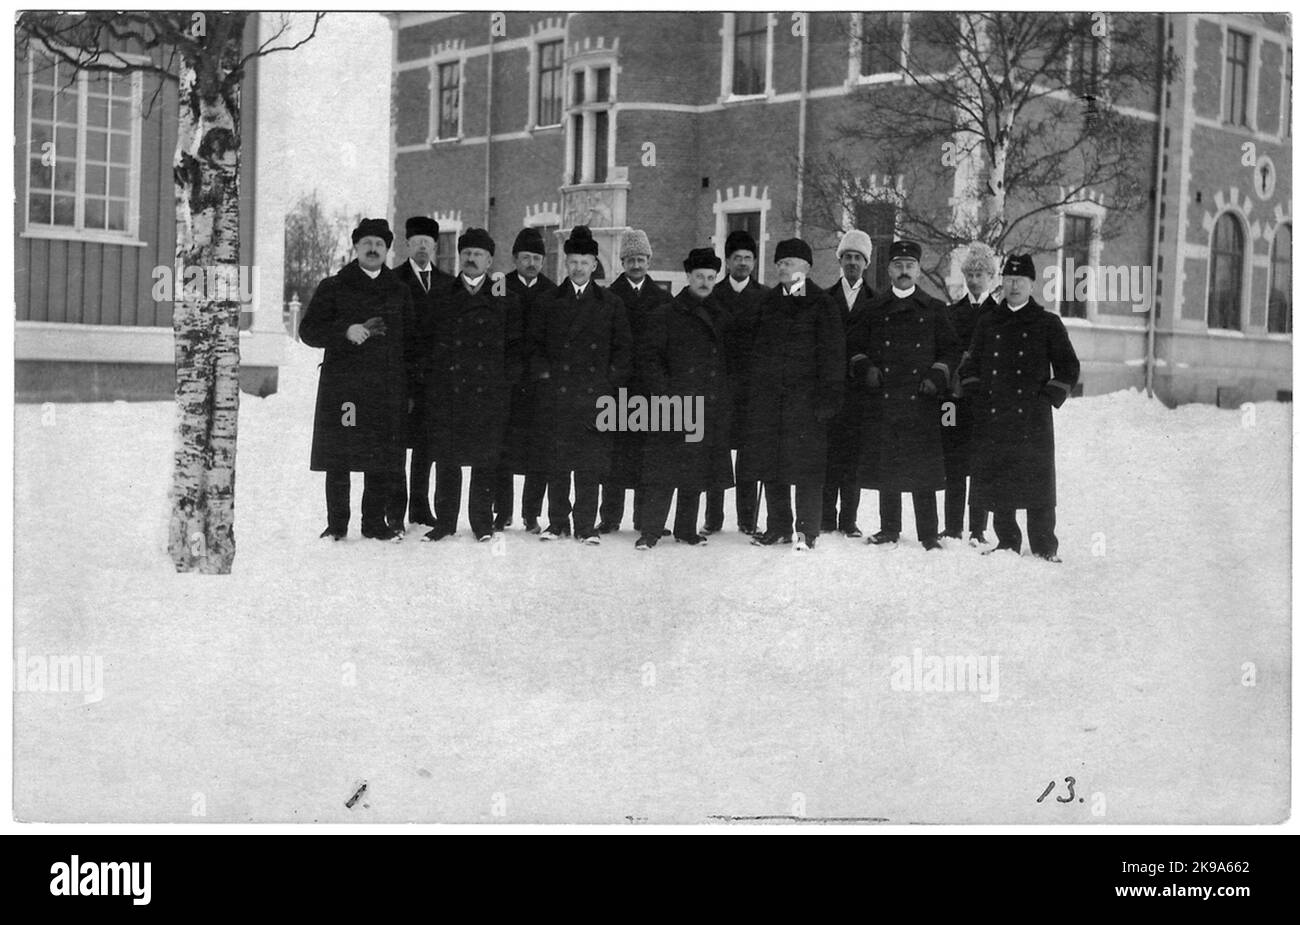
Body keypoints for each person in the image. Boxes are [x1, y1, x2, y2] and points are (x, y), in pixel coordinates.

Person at [299, 217, 414, 542]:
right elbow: (307, 331)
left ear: (388, 250)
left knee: (379, 457)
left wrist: (409, 388)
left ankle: (373, 523)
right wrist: (344, 331)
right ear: (356, 247)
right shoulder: (333, 287)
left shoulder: (398, 290)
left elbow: (412, 340)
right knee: (340, 456)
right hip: (344, 389)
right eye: (368, 244)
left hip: (385, 388)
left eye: (380, 244)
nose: (374, 249)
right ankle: (337, 525)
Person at [960, 253, 1080, 562]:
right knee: (1000, 482)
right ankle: (1007, 541)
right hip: (995, 415)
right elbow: (969, 365)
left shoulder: (1047, 322)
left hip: (1032, 418)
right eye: (1009, 280)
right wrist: (978, 395)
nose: (1014, 286)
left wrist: (1047, 399)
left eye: (1020, 281)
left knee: (1038, 487)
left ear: (1031, 284)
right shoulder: (989, 322)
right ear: (1002, 282)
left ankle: (1043, 546)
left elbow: (1068, 368)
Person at [852, 240, 960, 551]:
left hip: (921, 400)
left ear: (918, 270)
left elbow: (951, 350)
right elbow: (855, 348)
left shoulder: (935, 309)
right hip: (884, 398)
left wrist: (937, 375)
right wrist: (867, 368)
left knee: (922, 470)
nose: (903, 271)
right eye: (898, 266)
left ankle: (928, 533)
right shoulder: (873, 309)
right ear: (888, 270)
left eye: (909, 266)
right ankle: (889, 528)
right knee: (888, 466)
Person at [528, 225, 633, 544]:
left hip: (594, 396)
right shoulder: (549, 301)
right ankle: (557, 522)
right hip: (558, 395)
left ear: (594, 265)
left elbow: (624, 348)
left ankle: (586, 525)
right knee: (557, 464)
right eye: (573, 261)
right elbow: (535, 347)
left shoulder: (610, 302)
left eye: (584, 262)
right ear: (565, 263)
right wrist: (545, 376)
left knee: (589, 465)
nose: (578, 268)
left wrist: (608, 381)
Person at [420, 228, 522, 542]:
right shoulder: (442, 295)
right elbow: (427, 344)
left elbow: (516, 347)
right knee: (447, 460)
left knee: (485, 461)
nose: (471, 258)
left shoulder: (505, 298)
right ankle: (445, 522)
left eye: (478, 254)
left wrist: (505, 383)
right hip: (449, 392)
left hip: (489, 393)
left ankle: (482, 523)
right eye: (466, 253)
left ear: (490, 260)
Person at [743, 237, 845, 550]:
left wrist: (828, 401)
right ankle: (778, 526)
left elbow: (833, 356)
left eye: (789, 263)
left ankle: (807, 530)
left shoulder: (822, 303)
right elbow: (755, 352)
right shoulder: (768, 303)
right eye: (780, 263)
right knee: (772, 467)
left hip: (808, 404)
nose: (783, 268)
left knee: (806, 469)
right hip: (771, 402)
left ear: (806, 268)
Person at [634, 248, 733, 549]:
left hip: (707, 404)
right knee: (662, 472)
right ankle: (650, 531)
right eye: (699, 276)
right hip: (671, 402)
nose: (704, 282)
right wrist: (665, 394)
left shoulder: (722, 316)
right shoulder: (666, 314)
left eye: (710, 278)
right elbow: (650, 360)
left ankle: (686, 529)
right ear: (688, 277)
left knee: (696, 471)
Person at [600, 229, 671, 534]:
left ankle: (645, 518)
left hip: (650, 389)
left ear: (648, 261)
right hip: (619, 388)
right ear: (623, 261)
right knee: (614, 454)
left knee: (647, 454)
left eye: (641, 259)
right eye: (631, 259)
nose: (637, 264)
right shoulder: (609, 296)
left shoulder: (662, 298)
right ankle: (611, 516)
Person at [704, 229, 768, 535]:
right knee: (715, 452)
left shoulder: (766, 297)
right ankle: (713, 518)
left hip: (752, 389)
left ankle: (746, 518)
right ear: (727, 261)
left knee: (749, 454)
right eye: (737, 258)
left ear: (754, 261)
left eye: (747, 258)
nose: (742, 263)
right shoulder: (712, 296)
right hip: (719, 387)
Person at [498, 227, 558, 533]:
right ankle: (502, 511)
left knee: (540, 450)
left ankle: (531, 512)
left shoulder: (552, 291)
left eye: (536, 258)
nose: (531, 263)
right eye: (526, 257)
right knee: (503, 447)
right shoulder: (500, 287)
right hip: (507, 382)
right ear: (515, 259)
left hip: (540, 383)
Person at [390, 215, 448, 529]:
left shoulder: (446, 283)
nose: (422, 247)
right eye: (417, 242)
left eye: (428, 243)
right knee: (398, 445)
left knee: (426, 446)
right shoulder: (394, 280)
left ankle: (420, 506)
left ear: (435, 246)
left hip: (434, 380)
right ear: (408, 245)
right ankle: (395, 511)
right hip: (402, 376)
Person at [940, 242, 997, 544]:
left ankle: (978, 528)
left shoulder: (999, 314)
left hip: (983, 401)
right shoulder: (952, 312)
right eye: (970, 274)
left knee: (981, 462)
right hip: (951, 401)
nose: (974, 280)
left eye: (981, 274)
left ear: (992, 277)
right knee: (953, 460)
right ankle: (952, 527)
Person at [823, 228, 876, 537]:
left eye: (858, 257)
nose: (852, 262)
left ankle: (849, 520)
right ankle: (826, 517)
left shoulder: (876, 300)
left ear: (866, 263)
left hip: (860, 393)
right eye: (847, 257)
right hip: (832, 390)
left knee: (853, 457)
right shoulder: (826, 298)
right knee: (829, 455)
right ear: (840, 261)